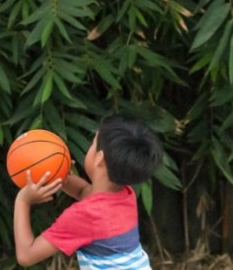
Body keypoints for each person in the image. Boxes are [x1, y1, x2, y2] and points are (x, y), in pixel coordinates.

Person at [14, 115, 163, 269]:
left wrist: (22, 201)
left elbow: (26, 255)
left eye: (93, 143)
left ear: (99, 158)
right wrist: (60, 174)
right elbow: (83, 191)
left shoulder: (84, 217)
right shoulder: (126, 194)